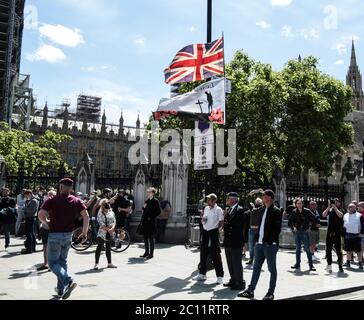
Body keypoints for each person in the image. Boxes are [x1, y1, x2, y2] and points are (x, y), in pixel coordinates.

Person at [38, 178, 89, 300]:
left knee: (52, 263)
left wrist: (46, 222)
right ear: (71, 188)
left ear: (60, 187)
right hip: (67, 235)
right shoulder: (76, 200)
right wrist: (84, 232)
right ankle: (61, 290)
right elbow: (86, 216)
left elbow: (40, 215)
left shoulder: (52, 200)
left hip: (54, 234)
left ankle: (68, 280)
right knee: (62, 262)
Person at [238, 190, 282, 301]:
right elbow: (259, 223)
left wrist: (268, 242)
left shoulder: (276, 211)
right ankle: (250, 290)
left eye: (266, 197)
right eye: (263, 197)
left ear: (271, 198)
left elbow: (277, 229)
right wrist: (257, 240)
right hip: (260, 245)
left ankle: (270, 293)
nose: (264, 198)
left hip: (270, 246)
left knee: (272, 269)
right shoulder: (263, 209)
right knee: (256, 268)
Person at [193, 193, 224, 284]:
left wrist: (220, 230)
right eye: (207, 200)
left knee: (215, 255)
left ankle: (220, 276)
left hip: (213, 233)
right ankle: (202, 274)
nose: (207, 201)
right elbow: (203, 218)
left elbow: (221, 221)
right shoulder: (206, 208)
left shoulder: (218, 210)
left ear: (214, 201)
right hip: (205, 232)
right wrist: (203, 220)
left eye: (209, 200)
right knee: (203, 253)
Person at [223, 192, 249, 290]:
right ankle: (233, 279)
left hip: (236, 241)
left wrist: (227, 217)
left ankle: (240, 282)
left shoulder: (240, 210)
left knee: (236, 263)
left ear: (233, 199)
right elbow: (227, 224)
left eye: (228, 198)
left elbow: (236, 223)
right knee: (230, 262)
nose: (227, 200)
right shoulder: (229, 209)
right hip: (228, 240)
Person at [289, 198, 318, 272]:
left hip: (305, 232)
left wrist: (310, 227)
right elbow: (290, 221)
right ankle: (297, 264)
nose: (299, 205)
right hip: (297, 232)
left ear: (302, 204)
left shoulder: (307, 211)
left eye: (300, 203)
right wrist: (293, 228)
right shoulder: (294, 211)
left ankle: (311, 265)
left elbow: (315, 219)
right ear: (295, 204)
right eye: (298, 203)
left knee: (307, 249)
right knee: (298, 249)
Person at [94, 199, 117, 270]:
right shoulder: (100, 213)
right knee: (99, 247)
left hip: (110, 232)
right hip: (102, 232)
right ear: (103, 207)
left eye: (108, 209)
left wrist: (112, 228)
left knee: (108, 248)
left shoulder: (111, 212)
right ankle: (96, 264)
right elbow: (101, 223)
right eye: (106, 209)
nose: (107, 211)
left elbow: (114, 221)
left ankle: (109, 263)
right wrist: (108, 230)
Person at [322, 199, 344, 273]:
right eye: (333, 202)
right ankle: (329, 265)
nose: (335, 203)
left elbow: (340, 216)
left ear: (339, 203)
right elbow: (323, 215)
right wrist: (328, 207)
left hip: (337, 232)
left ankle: (340, 266)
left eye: (336, 202)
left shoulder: (341, 210)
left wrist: (335, 207)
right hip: (330, 232)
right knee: (328, 250)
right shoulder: (330, 210)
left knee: (338, 250)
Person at [37, 189, 57, 271]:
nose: (50, 196)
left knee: (53, 247)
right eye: (49, 194)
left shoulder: (57, 205)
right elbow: (41, 214)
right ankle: (46, 263)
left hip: (53, 229)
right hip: (45, 227)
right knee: (45, 246)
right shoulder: (45, 204)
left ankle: (53, 264)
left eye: (52, 195)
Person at [139, 187, 161, 260]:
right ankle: (146, 252)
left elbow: (158, 211)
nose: (148, 193)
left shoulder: (156, 201)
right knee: (145, 237)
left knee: (151, 238)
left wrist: (151, 217)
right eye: (147, 192)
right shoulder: (147, 201)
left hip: (151, 222)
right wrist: (143, 207)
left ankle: (151, 254)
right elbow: (144, 209)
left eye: (149, 192)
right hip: (145, 221)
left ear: (153, 193)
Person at [343, 203, 364, 270]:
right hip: (347, 235)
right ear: (348, 208)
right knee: (348, 250)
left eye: (354, 207)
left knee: (359, 250)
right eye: (351, 207)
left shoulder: (359, 215)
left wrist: (361, 233)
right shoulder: (345, 215)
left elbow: (363, 225)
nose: (353, 208)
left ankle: (360, 263)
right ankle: (348, 262)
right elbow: (343, 224)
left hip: (356, 235)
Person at [247, 198, 264, 266]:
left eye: (259, 201)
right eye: (256, 201)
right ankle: (251, 259)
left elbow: (265, 204)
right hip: (251, 229)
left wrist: (262, 192)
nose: (257, 202)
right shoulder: (252, 209)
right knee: (251, 245)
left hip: (258, 230)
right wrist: (250, 195)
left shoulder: (261, 209)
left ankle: (257, 259)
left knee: (258, 245)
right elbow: (248, 202)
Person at [21, 190, 39, 254]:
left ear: (29, 194)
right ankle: (32, 248)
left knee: (29, 233)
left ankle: (29, 249)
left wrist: (24, 209)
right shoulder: (30, 200)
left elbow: (31, 211)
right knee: (31, 233)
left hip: (30, 217)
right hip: (30, 218)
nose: (25, 197)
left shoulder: (34, 201)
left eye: (26, 195)